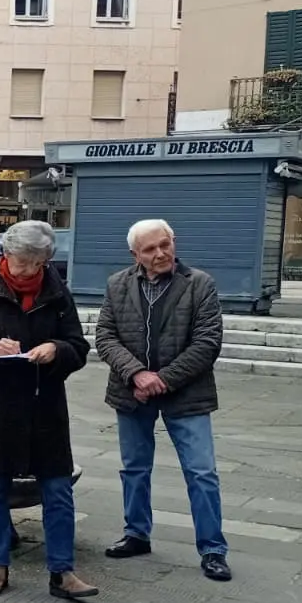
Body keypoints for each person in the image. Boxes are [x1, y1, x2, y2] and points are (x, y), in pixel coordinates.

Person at [0, 221, 98, 601]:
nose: (27, 270)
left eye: (36, 263)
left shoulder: (57, 292)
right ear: (6, 254)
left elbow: (78, 347)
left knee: (58, 491)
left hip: (45, 408)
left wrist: (57, 350)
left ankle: (62, 571)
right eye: (21, 262)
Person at [95, 220, 231, 581]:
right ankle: (136, 534)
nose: (160, 254)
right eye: (150, 249)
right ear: (134, 255)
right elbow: (105, 337)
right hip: (132, 391)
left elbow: (207, 343)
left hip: (187, 394)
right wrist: (136, 374)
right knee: (134, 468)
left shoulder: (200, 284)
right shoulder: (117, 284)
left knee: (201, 472)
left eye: (164, 244)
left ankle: (213, 549)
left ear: (173, 242)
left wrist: (162, 380)